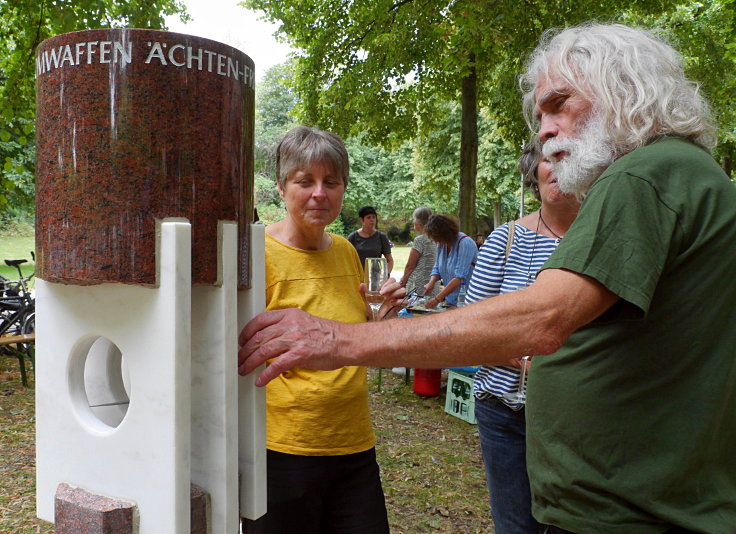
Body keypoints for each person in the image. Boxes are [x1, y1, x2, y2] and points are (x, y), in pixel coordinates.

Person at [239, 23, 736, 533]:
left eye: (559, 103)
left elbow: (542, 318)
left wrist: (340, 338)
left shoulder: (644, 174)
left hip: (634, 513)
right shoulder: (679, 173)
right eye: (540, 114)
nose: (542, 130)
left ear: (623, 88)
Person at [243, 126, 403, 534]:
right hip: (282, 453)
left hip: (354, 447)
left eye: (331, 182)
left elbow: (355, 337)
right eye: (305, 181)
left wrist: (382, 319)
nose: (320, 193)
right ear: (281, 187)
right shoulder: (256, 256)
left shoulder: (348, 251)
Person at [467, 139, 579, 534]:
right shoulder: (505, 239)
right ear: (534, 171)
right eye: (550, 160)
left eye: (572, 159)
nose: (559, 170)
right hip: (506, 413)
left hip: (578, 419)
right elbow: (473, 325)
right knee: (515, 525)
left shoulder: (602, 240)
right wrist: (517, 353)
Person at [422, 214, 478, 308]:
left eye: (437, 238)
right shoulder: (442, 244)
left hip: (466, 301)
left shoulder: (465, 243)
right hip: (451, 300)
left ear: (445, 233)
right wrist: (431, 283)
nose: (436, 241)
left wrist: (437, 299)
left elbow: (459, 277)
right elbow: (437, 267)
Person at [398, 206, 439, 298]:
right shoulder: (437, 239)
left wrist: (403, 282)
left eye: (413, 219)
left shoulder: (420, 240)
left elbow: (410, 266)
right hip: (433, 283)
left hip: (419, 284)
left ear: (418, 222)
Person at [348, 206, 394, 273]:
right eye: (368, 217)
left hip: (376, 277)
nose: (372, 220)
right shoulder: (353, 237)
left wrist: (387, 274)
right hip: (358, 277)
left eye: (374, 217)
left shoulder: (381, 237)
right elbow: (346, 260)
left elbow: (389, 260)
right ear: (361, 220)